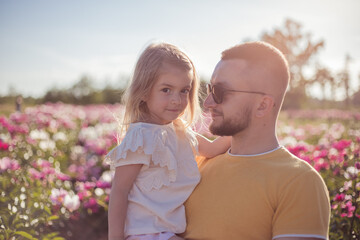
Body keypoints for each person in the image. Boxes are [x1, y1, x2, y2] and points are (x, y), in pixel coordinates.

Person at [181, 41, 330, 240]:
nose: (208, 103)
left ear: (262, 105)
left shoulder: (299, 182)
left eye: (220, 92)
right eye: (209, 89)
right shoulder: (196, 166)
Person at [106, 42, 230, 240]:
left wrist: (244, 130)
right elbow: (119, 191)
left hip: (169, 232)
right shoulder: (141, 137)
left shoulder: (180, 131)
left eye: (184, 91)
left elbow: (213, 148)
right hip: (144, 232)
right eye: (166, 90)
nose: (177, 99)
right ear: (145, 91)